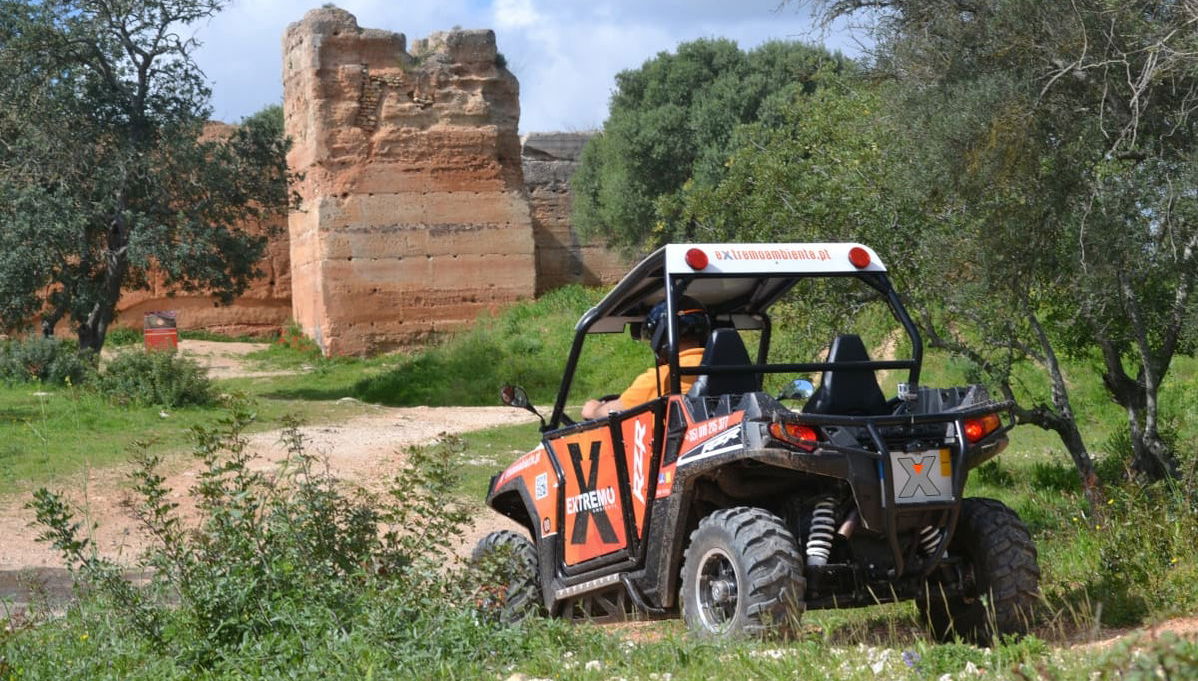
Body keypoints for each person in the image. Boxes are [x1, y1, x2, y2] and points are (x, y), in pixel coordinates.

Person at [581, 297, 710, 420]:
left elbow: (615, 410)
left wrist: (593, 409)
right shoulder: (721, 367)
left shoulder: (662, 378)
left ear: (661, 337)